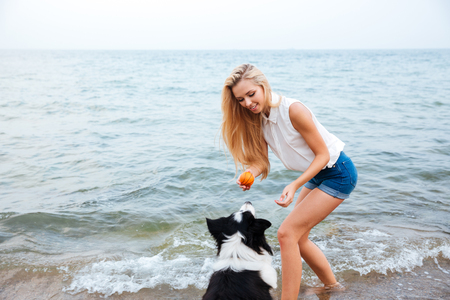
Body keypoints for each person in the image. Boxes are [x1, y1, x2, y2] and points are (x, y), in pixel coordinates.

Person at [220, 64, 358, 299]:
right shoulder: (259, 117)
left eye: (251, 94)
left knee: (286, 234)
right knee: (298, 237)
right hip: (317, 174)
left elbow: (323, 155)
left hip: (338, 172)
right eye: (241, 99)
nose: (247, 103)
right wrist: (250, 174)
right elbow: (261, 162)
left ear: (263, 86)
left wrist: (294, 185)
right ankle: (333, 287)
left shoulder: (293, 110)